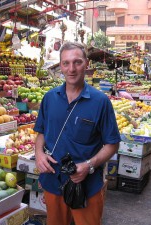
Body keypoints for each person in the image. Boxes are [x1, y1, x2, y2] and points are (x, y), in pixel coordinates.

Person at [34, 42, 121, 225]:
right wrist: (39, 153)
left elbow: (112, 144)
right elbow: (41, 132)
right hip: (53, 181)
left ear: (86, 64)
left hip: (87, 186)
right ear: (60, 66)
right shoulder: (49, 98)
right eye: (66, 63)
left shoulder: (101, 102)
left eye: (77, 62)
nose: (71, 69)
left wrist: (89, 165)